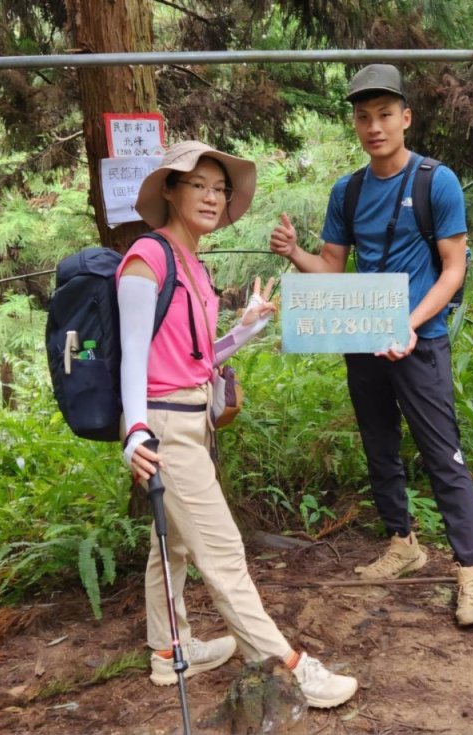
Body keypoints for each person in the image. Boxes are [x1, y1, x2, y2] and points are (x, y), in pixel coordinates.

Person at [118, 140, 358, 707]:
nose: (211, 197)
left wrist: (245, 329)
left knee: (174, 545)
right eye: (198, 185)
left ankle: (168, 650)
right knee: (223, 551)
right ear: (170, 190)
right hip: (163, 426)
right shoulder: (147, 258)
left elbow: (194, 360)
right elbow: (132, 355)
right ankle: (285, 667)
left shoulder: (193, 266)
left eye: (219, 189)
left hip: (192, 418)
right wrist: (134, 431)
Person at [269, 65, 473, 626]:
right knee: (379, 446)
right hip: (364, 337)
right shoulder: (347, 191)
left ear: (405, 118)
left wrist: (409, 324)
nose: (374, 127)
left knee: (442, 453)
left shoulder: (435, 182)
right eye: (364, 117)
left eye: (385, 115)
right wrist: (294, 253)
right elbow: (332, 268)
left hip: (421, 340)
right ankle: (403, 543)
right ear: (356, 124)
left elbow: (453, 270)